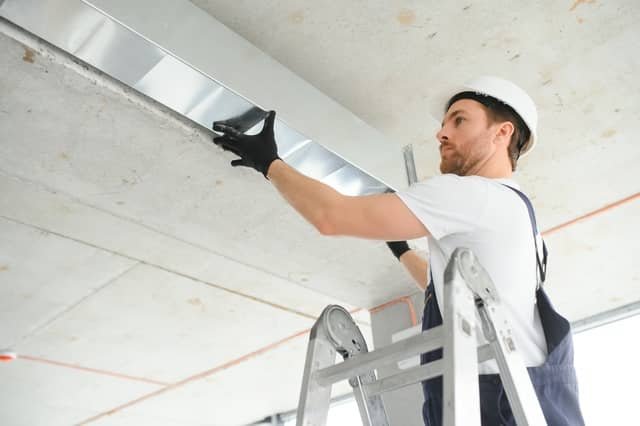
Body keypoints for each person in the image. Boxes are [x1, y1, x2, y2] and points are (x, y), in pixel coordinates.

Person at [212, 76, 584, 425]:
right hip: (527, 403)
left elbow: (332, 217)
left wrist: (269, 163)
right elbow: (460, 295)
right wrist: (402, 250)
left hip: (497, 405)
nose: (441, 133)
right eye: (444, 123)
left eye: (459, 121)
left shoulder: (470, 193)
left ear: (503, 133)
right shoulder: (520, 221)